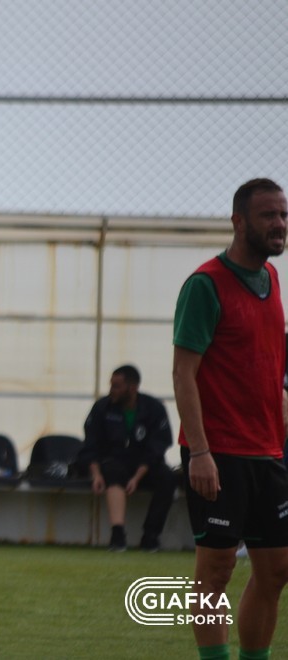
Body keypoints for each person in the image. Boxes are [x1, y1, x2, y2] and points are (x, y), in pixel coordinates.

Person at [173, 177, 288, 660]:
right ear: (239, 221)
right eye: (269, 215)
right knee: (216, 571)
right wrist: (199, 452)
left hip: (268, 452)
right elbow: (183, 372)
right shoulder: (205, 285)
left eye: (283, 215)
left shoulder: (272, 279)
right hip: (217, 452)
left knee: (276, 570)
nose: (280, 224)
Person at [78, 364, 176, 552]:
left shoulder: (154, 408)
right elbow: (90, 445)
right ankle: (118, 535)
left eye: (116, 386)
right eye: (111, 385)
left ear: (132, 388)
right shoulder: (102, 408)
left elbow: (158, 447)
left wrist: (137, 477)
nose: (111, 390)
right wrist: (96, 475)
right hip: (114, 463)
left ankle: (151, 536)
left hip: (145, 465)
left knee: (167, 478)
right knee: (112, 472)